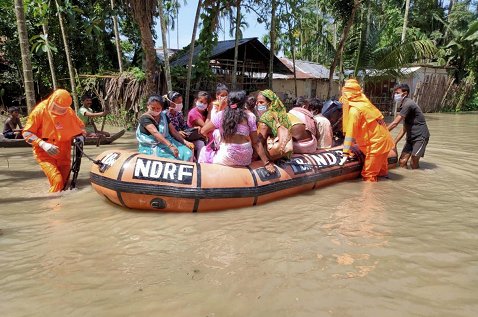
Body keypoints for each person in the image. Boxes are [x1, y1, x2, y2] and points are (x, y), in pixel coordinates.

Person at [22, 89, 85, 192]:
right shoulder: (40, 111)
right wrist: (42, 144)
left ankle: (65, 205)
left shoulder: (69, 111)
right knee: (57, 181)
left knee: (64, 184)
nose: (59, 112)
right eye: (57, 108)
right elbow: (26, 133)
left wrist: (80, 137)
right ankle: (53, 206)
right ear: (52, 101)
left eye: (62, 110)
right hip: (45, 152)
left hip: (64, 152)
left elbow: (80, 127)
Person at [339, 79, 394, 182]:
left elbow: (350, 134)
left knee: (369, 175)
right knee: (382, 172)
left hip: (375, 145)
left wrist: (346, 153)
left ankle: (369, 196)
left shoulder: (354, 111)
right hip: (385, 141)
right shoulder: (365, 104)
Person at [198, 90, 269, 166]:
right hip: (246, 158)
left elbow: (203, 131)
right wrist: (266, 163)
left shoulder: (221, 115)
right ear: (243, 103)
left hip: (227, 157)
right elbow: (256, 142)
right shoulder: (250, 116)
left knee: (205, 150)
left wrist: (221, 107)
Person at [137, 95, 194, 161]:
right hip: (151, 146)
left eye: (158, 108)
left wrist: (185, 142)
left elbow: (174, 131)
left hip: (166, 142)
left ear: (161, 108)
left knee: (188, 153)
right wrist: (171, 146)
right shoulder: (145, 118)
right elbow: (156, 133)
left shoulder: (163, 116)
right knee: (172, 159)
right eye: (153, 108)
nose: (155, 110)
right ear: (148, 106)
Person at [387, 83, 430, 169]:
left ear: (405, 93)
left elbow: (395, 123)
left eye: (397, 93)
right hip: (410, 138)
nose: (395, 95)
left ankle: (417, 178)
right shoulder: (403, 105)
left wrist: (381, 132)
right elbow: (404, 128)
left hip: (420, 137)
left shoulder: (408, 104)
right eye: (395, 93)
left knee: (413, 161)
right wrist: (394, 142)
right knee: (402, 162)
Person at [256, 89, 293, 173]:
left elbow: (259, 142)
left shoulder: (265, 118)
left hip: (274, 152)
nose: (258, 105)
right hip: (285, 152)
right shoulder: (283, 114)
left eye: (261, 103)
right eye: (257, 103)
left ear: (270, 103)